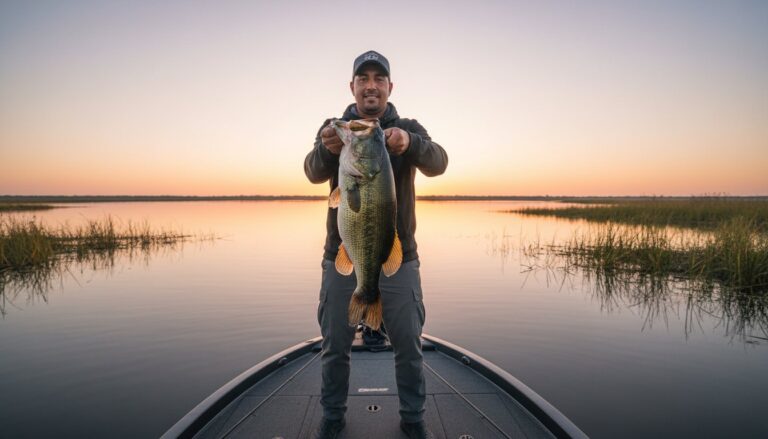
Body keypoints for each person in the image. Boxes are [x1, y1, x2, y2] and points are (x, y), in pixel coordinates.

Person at [304, 50, 448, 439]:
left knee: (409, 346)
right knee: (335, 346)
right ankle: (333, 417)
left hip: (400, 258)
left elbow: (439, 162)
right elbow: (312, 172)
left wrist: (411, 142)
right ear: (352, 86)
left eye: (378, 78)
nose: (370, 85)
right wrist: (325, 149)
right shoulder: (336, 128)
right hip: (342, 254)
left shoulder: (406, 127)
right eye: (363, 78)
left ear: (389, 87)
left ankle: (413, 419)